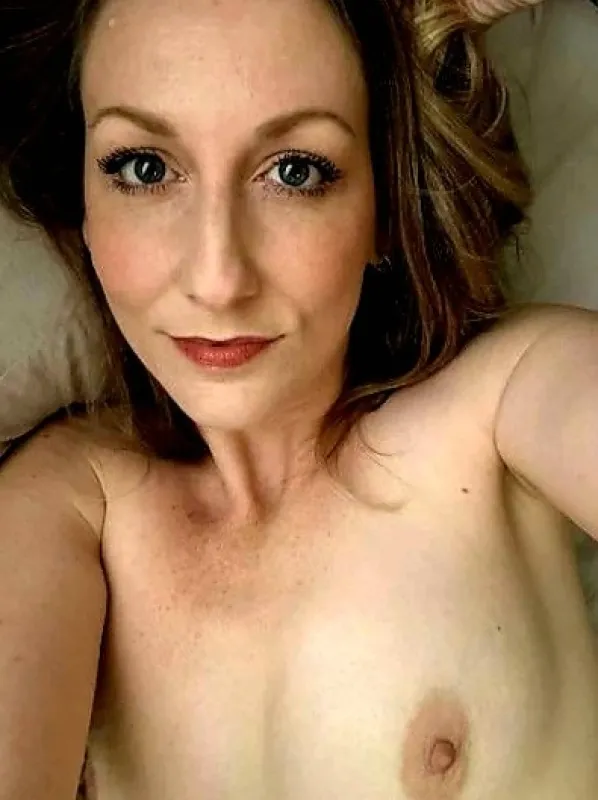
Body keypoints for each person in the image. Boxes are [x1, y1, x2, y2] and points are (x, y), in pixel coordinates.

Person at [0, 0, 597, 798]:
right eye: (144, 169)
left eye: (295, 171)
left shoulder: (507, 401)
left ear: (384, 204)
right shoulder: (72, 501)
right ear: (80, 197)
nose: (218, 278)